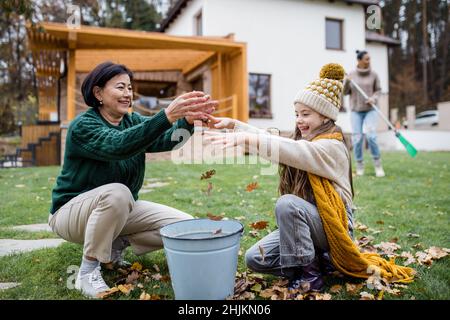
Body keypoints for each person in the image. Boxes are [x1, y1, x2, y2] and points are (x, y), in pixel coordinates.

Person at [204, 63, 414, 292]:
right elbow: (281, 144)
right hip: (309, 223)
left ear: (325, 116)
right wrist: (235, 126)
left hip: (335, 225)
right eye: (296, 114)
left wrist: (246, 139)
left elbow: (290, 150)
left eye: (306, 114)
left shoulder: (331, 146)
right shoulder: (307, 142)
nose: (299, 120)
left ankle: (309, 276)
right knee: (256, 259)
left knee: (288, 204)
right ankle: (321, 261)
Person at [48, 61, 218, 298]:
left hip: (116, 210)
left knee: (183, 226)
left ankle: (114, 247)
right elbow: (119, 146)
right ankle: (87, 271)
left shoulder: (132, 121)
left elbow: (165, 140)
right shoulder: (83, 125)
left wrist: (186, 122)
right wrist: (166, 115)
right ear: (98, 93)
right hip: (71, 215)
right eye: (120, 87)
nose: (128, 94)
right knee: (118, 192)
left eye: (129, 88)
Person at [343, 50, 385, 177]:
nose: (369, 61)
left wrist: (373, 98)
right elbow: (345, 93)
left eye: (369, 59)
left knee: (371, 136)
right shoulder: (351, 75)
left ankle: (378, 165)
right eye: (366, 59)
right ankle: (360, 166)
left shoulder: (374, 75)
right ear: (359, 60)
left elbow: (378, 91)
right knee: (357, 139)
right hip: (356, 110)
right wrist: (347, 82)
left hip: (371, 110)